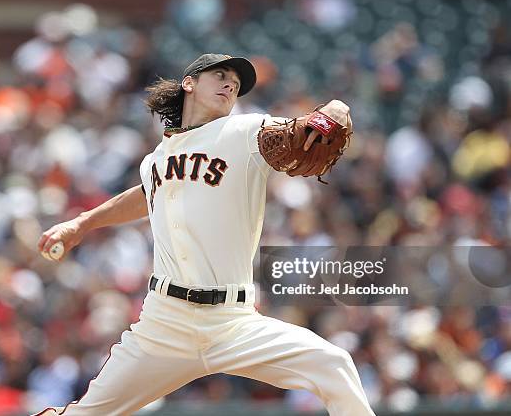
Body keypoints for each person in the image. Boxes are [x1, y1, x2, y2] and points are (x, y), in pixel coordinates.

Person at [35, 54, 374, 416]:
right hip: (164, 325)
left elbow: (303, 125)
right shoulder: (155, 160)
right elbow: (147, 192)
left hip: (233, 322)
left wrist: (336, 108)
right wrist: (81, 223)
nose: (230, 84)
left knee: (333, 365)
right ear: (189, 83)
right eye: (221, 75)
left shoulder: (246, 133)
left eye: (236, 83)